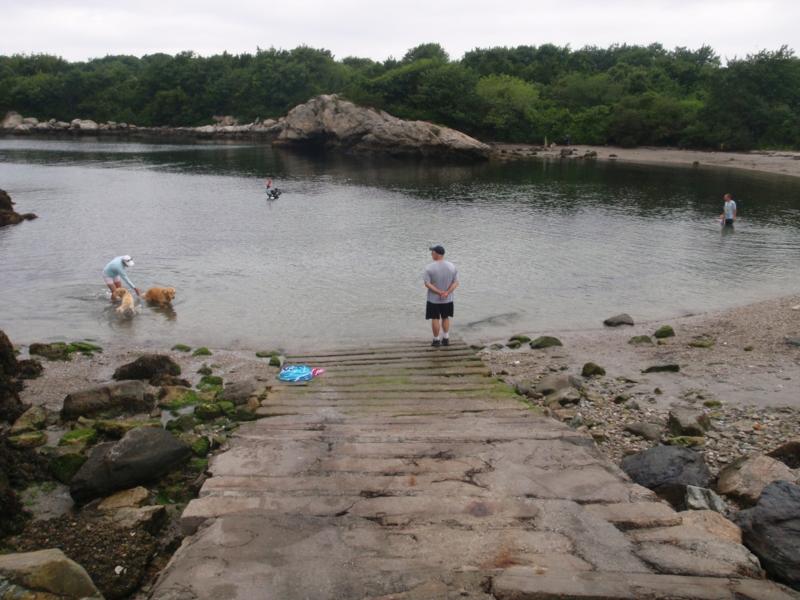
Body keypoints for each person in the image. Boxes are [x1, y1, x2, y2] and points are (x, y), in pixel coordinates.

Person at [423, 244, 459, 347]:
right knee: (445, 317)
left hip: (433, 299)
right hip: (447, 299)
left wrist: (439, 292)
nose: (431, 254)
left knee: (435, 318)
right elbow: (456, 282)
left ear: (436, 254)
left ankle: (436, 340)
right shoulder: (452, 266)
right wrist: (447, 292)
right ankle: (446, 338)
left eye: (432, 252)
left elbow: (427, 284)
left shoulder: (429, 267)